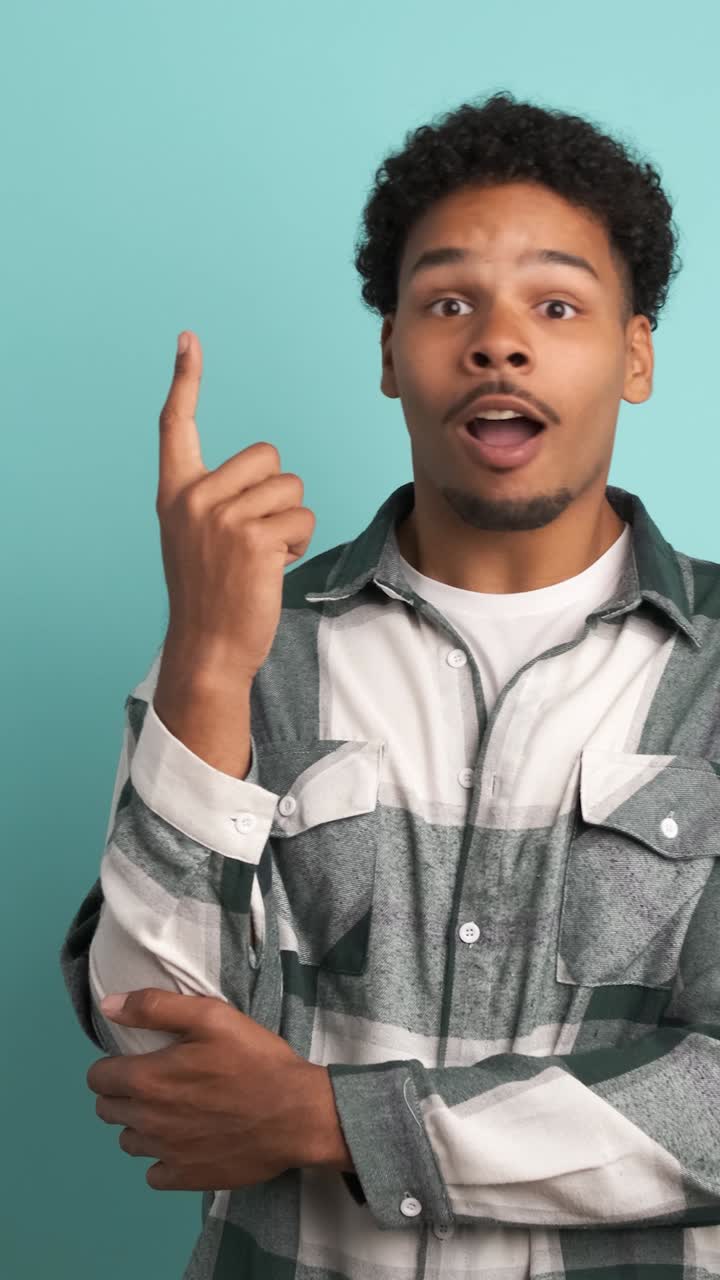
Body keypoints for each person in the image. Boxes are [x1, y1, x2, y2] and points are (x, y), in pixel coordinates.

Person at [60, 89, 720, 1280]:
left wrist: (337, 1117)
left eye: (557, 304)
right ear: (388, 352)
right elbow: (155, 1060)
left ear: (636, 356)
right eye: (449, 300)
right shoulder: (244, 636)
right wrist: (207, 660)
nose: (499, 341)